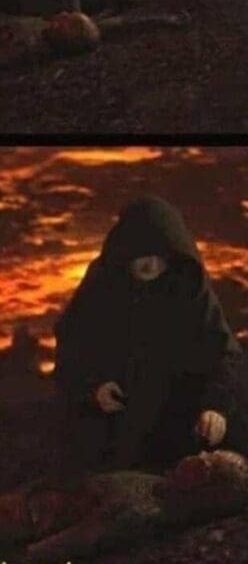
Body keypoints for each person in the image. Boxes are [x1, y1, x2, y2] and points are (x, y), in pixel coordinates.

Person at [54, 196, 248, 476]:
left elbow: (224, 354)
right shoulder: (102, 285)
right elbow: (72, 349)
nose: (151, 265)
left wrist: (216, 409)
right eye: (142, 255)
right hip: (115, 425)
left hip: (181, 424)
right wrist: (94, 389)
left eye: (160, 256)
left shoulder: (188, 286)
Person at [0, 450, 248, 561]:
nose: (200, 455)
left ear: (205, 486)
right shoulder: (153, 485)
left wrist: (31, 555)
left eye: (207, 463)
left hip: (23, 522)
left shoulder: (143, 512)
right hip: (25, 502)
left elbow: (86, 536)